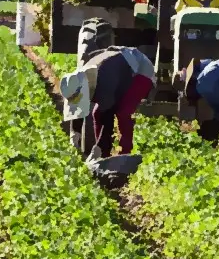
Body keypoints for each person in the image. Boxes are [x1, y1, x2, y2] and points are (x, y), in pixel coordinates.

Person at [60, 23, 155, 159]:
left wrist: (98, 148)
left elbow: (108, 117)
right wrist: (74, 136)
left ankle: (125, 154)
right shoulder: (79, 78)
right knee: (97, 113)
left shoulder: (105, 80)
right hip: (120, 70)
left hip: (141, 70)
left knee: (123, 111)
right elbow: (78, 109)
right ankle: (103, 154)